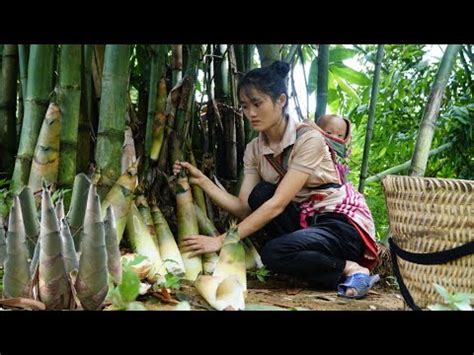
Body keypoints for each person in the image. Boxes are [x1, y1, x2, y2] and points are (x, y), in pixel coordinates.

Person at [173, 61, 379, 299]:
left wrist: (221, 241)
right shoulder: (254, 149)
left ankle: (351, 267)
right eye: (245, 105)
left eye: (257, 104)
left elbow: (278, 204)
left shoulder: (309, 139)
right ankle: (309, 265)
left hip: (339, 225)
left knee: (273, 254)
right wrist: (203, 182)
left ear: (281, 100)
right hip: (306, 222)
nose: (250, 113)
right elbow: (244, 208)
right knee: (261, 193)